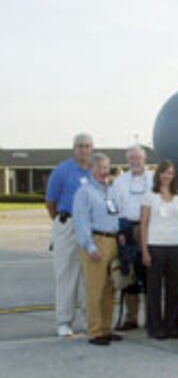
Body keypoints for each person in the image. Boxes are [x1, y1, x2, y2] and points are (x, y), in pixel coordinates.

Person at [45, 132, 93, 337]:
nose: (84, 150)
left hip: (91, 227)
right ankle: (64, 321)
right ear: (74, 149)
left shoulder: (95, 170)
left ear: (92, 149)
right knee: (67, 275)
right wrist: (62, 221)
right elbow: (50, 201)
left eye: (87, 146)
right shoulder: (62, 171)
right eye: (80, 146)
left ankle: (92, 320)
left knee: (90, 276)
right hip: (68, 223)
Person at [73, 153, 123, 346]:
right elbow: (81, 221)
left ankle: (105, 328)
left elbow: (115, 214)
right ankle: (94, 331)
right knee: (95, 289)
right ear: (92, 169)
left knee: (110, 288)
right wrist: (90, 245)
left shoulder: (110, 190)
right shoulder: (84, 192)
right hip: (96, 241)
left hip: (112, 242)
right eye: (101, 168)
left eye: (106, 168)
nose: (105, 172)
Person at [140, 160, 178, 340]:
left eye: (170, 173)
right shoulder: (149, 195)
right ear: (158, 175)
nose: (167, 176)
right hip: (155, 245)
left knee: (174, 289)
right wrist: (145, 250)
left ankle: (172, 326)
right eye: (164, 172)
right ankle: (155, 327)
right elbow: (144, 224)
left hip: (176, 245)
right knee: (154, 289)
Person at [112, 144, 154, 330]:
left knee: (150, 274)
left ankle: (152, 318)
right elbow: (114, 209)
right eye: (132, 158)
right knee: (129, 274)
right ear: (127, 160)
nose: (136, 161)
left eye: (139, 158)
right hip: (127, 228)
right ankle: (131, 317)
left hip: (150, 229)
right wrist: (119, 232)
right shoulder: (119, 181)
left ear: (145, 159)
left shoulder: (154, 179)